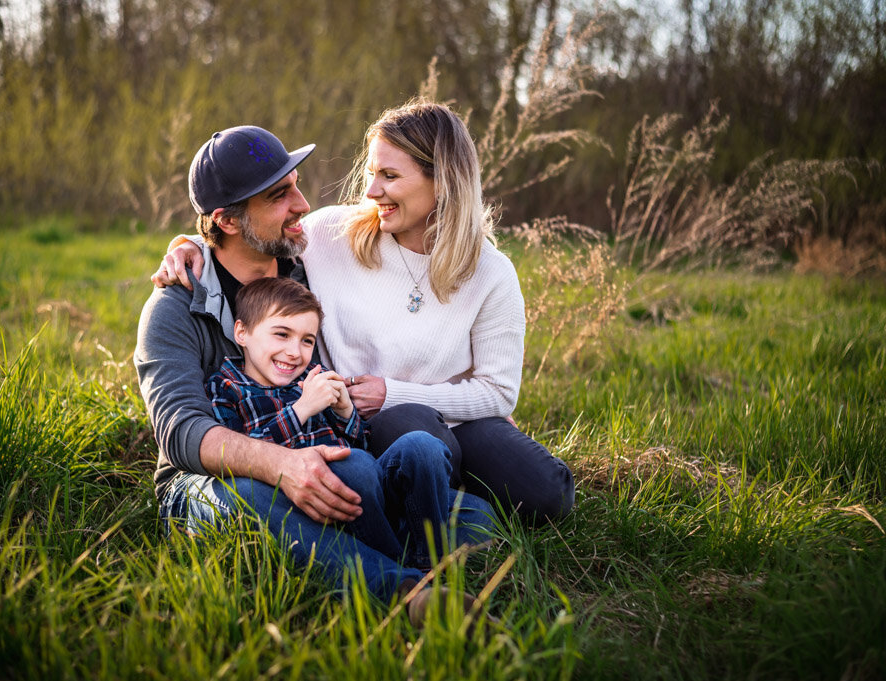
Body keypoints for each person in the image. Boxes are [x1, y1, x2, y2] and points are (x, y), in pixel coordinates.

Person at [134, 124, 492, 624]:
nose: (302, 204)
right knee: (253, 500)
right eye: (280, 195)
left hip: (321, 454)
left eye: (297, 184)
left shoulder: (303, 268)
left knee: (477, 517)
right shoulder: (173, 308)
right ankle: (411, 596)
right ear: (228, 220)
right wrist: (281, 464)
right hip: (208, 481)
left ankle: (350, 543)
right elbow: (180, 433)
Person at [156, 100, 575, 524]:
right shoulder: (332, 235)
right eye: (372, 172)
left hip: (458, 419)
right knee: (417, 434)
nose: (372, 191)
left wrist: (394, 393)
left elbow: (500, 392)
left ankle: (453, 498)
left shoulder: (491, 272)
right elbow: (248, 232)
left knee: (547, 494)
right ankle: (437, 522)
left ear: (443, 181)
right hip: (383, 428)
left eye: (390, 176)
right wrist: (188, 244)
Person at [207, 276, 493, 569]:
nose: (295, 352)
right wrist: (301, 410)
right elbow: (239, 456)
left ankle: (425, 553)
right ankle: (399, 563)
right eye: (281, 334)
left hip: (373, 492)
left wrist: (346, 414)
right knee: (353, 466)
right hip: (320, 503)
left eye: (307, 340)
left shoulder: (313, 378)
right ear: (241, 332)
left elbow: (365, 444)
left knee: (427, 451)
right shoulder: (228, 386)